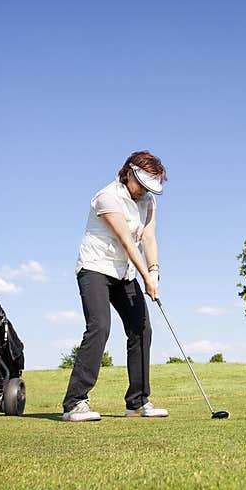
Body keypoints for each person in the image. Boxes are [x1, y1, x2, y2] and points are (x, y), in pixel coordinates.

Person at [62, 151, 168, 422]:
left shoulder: (148, 201)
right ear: (129, 173)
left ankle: (138, 401)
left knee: (142, 329)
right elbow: (126, 241)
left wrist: (154, 273)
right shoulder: (106, 197)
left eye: (150, 187)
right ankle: (75, 402)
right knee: (100, 326)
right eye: (142, 185)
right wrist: (146, 277)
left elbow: (148, 239)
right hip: (95, 268)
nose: (145, 191)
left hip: (125, 273)